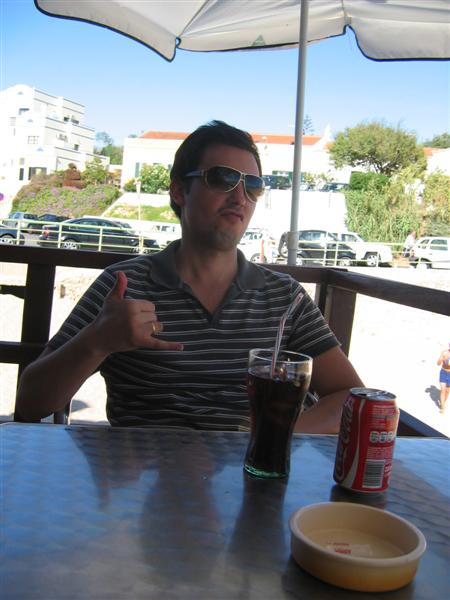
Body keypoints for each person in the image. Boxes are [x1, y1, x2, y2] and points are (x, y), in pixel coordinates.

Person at [16, 120, 363, 433]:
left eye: (253, 185)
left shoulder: (285, 297)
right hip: (148, 476)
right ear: (179, 191)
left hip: (252, 474)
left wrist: (276, 438)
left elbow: (350, 395)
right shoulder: (123, 287)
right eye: (223, 178)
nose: (240, 197)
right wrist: (97, 341)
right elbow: (31, 402)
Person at [437, 343, 450, 412]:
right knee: (443, 390)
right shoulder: (444, 353)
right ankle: (442, 407)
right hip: (443, 373)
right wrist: (441, 359)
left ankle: (443, 403)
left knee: (447, 391)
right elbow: (438, 363)